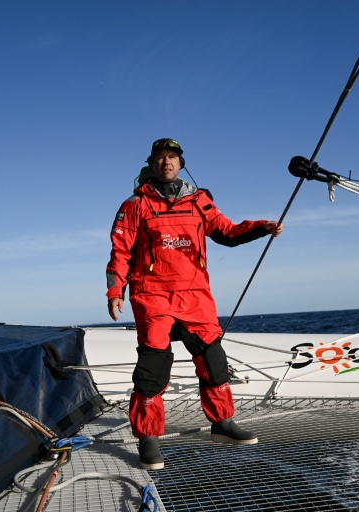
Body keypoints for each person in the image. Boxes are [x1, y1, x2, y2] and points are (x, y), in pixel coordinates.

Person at [106, 138, 283, 470]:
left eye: (172, 157)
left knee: (213, 361)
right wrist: (115, 290)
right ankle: (148, 437)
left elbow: (227, 232)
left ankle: (222, 423)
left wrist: (262, 228)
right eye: (160, 157)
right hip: (153, 295)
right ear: (152, 164)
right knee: (153, 367)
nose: (166, 162)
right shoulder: (135, 204)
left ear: (181, 164)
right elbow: (120, 251)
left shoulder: (199, 201)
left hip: (195, 297)